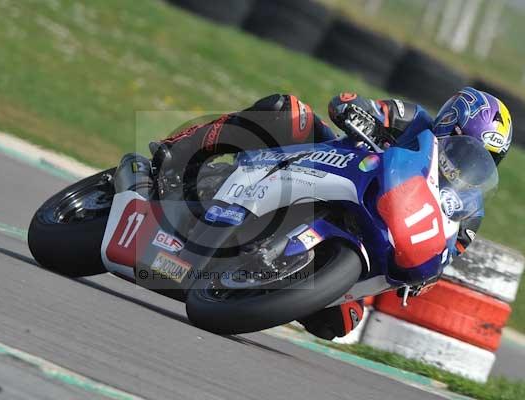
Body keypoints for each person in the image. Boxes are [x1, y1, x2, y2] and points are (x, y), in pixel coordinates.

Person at [150, 88, 513, 340]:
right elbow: (354, 103)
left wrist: (425, 276)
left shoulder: (470, 213)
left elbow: (444, 255)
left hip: (371, 237)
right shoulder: (414, 121)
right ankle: (176, 158)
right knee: (287, 112)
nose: (469, 161)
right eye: (466, 143)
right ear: (450, 124)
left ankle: (252, 284)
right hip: (327, 164)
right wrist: (359, 112)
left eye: (486, 157)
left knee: (339, 322)